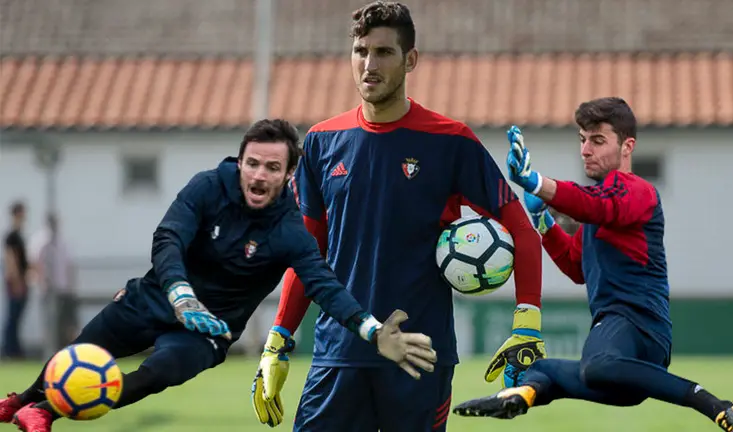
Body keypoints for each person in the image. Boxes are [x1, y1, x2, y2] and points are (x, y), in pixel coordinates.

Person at [0, 119, 437, 432]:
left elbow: (324, 285)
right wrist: (180, 294)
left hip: (207, 332)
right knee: (80, 352)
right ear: (240, 161)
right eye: (252, 163)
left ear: (288, 175)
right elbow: (168, 237)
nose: (259, 175)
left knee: (158, 373)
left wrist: (372, 330)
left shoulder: (290, 232)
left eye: (272, 168)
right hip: (156, 297)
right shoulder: (208, 186)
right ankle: (21, 401)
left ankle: (46, 412)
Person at [255, 2, 545, 431]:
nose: (369, 65)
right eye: (361, 51)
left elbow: (522, 229)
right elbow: (308, 251)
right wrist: (278, 338)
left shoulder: (451, 141)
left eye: (384, 52)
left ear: (410, 60)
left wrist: (527, 324)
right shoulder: (321, 141)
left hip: (420, 356)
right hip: (339, 353)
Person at [452, 97, 733, 432]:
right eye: (583, 139)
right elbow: (576, 267)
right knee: (542, 370)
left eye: (597, 141)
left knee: (596, 366)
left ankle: (720, 406)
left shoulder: (638, 191)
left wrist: (536, 181)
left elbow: (595, 205)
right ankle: (520, 395)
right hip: (615, 347)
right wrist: (543, 221)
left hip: (641, 327)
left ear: (628, 146)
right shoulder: (597, 209)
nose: (586, 150)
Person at [29, 213, 78, 358]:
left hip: (64, 290)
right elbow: (35, 264)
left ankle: (70, 351)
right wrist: (42, 283)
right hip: (48, 291)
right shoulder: (40, 242)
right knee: (50, 323)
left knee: (68, 323)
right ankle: (50, 353)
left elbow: (69, 265)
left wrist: (71, 286)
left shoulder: (62, 242)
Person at [2, 201, 29, 360]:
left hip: (21, 280)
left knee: (16, 318)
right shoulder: (11, 236)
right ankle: (10, 350)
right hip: (15, 282)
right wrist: (17, 281)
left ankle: (14, 349)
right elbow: (11, 260)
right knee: (13, 317)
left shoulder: (19, 235)